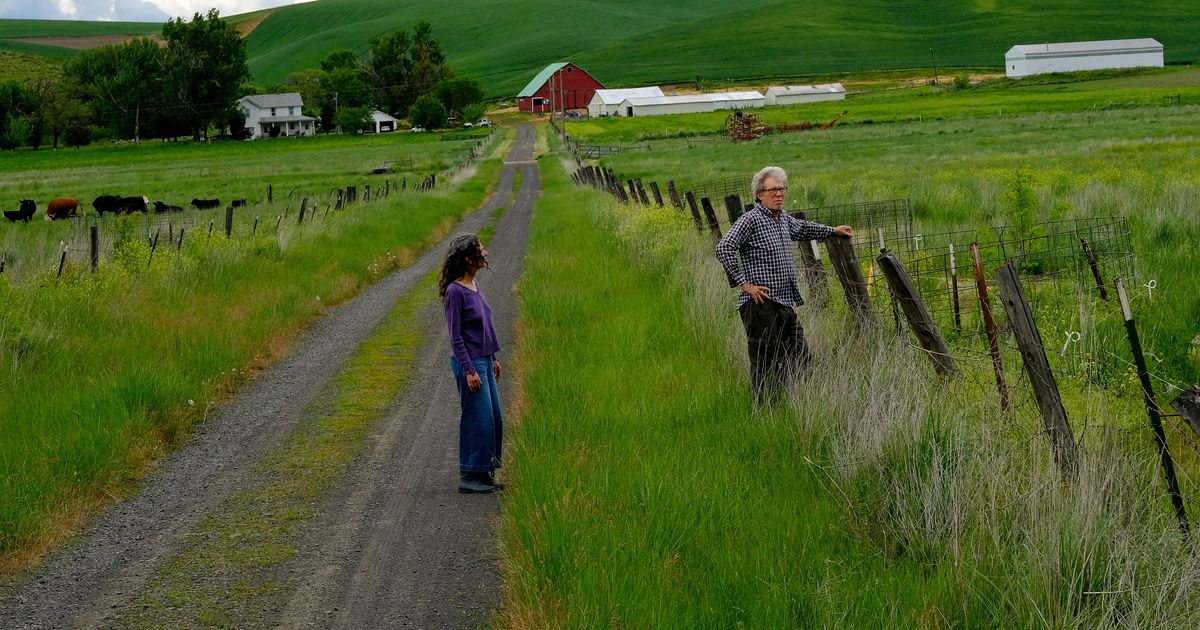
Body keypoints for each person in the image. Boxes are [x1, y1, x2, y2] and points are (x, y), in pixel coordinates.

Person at [715, 166, 853, 404]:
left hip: (784, 299)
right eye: (773, 190)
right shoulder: (751, 220)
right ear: (759, 194)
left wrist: (833, 230)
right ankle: (765, 409)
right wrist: (744, 284)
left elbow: (803, 228)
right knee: (764, 358)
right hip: (760, 303)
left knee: (799, 353)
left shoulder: (782, 219)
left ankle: (790, 399)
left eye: (782, 189)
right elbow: (724, 248)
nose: (779, 194)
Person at [439, 234, 504, 493]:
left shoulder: (475, 285)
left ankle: (485, 473)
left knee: (494, 418)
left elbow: (484, 326)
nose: (485, 252)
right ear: (468, 258)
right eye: (479, 249)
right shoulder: (455, 292)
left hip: (485, 360)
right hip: (471, 364)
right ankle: (469, 476)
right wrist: (469, 370)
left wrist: (494, 357)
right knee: (478, 419)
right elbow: (456, 336)